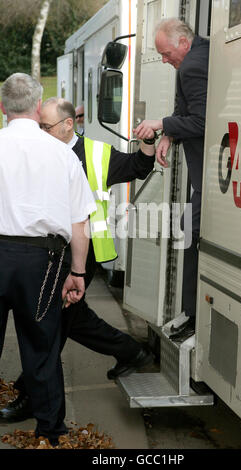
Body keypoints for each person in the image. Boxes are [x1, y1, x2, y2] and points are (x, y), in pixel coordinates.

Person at [0, 97, 156, 423]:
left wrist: (149, 142)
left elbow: (137, 167)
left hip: (81, 256)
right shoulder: (38, 150)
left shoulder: (96, 154)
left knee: (52, 329)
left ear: (68, 124)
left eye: (46, 127)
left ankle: (30, 396)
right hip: (46, 255)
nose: (40, 132)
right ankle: (131, 352)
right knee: (72, 320)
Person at [0, 74, 96, 445]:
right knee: (41, 347)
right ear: (39, 107)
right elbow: (78, 221)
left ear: (3, 107)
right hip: (43, 261)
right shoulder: (62, 154)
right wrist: (77, 271)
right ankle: (51, 433)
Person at [134, 18, 209, 340]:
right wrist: (170, 135)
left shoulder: (192, 66)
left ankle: (193, 314)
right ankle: (191, 312)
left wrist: (160, 123)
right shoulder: (199, 54)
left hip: (210, 175)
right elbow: (185, 108)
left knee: (189, 232)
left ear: (182, 42)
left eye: (166, 54)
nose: (164, 61)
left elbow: (203, 121)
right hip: (204, 171)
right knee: (186, 229)